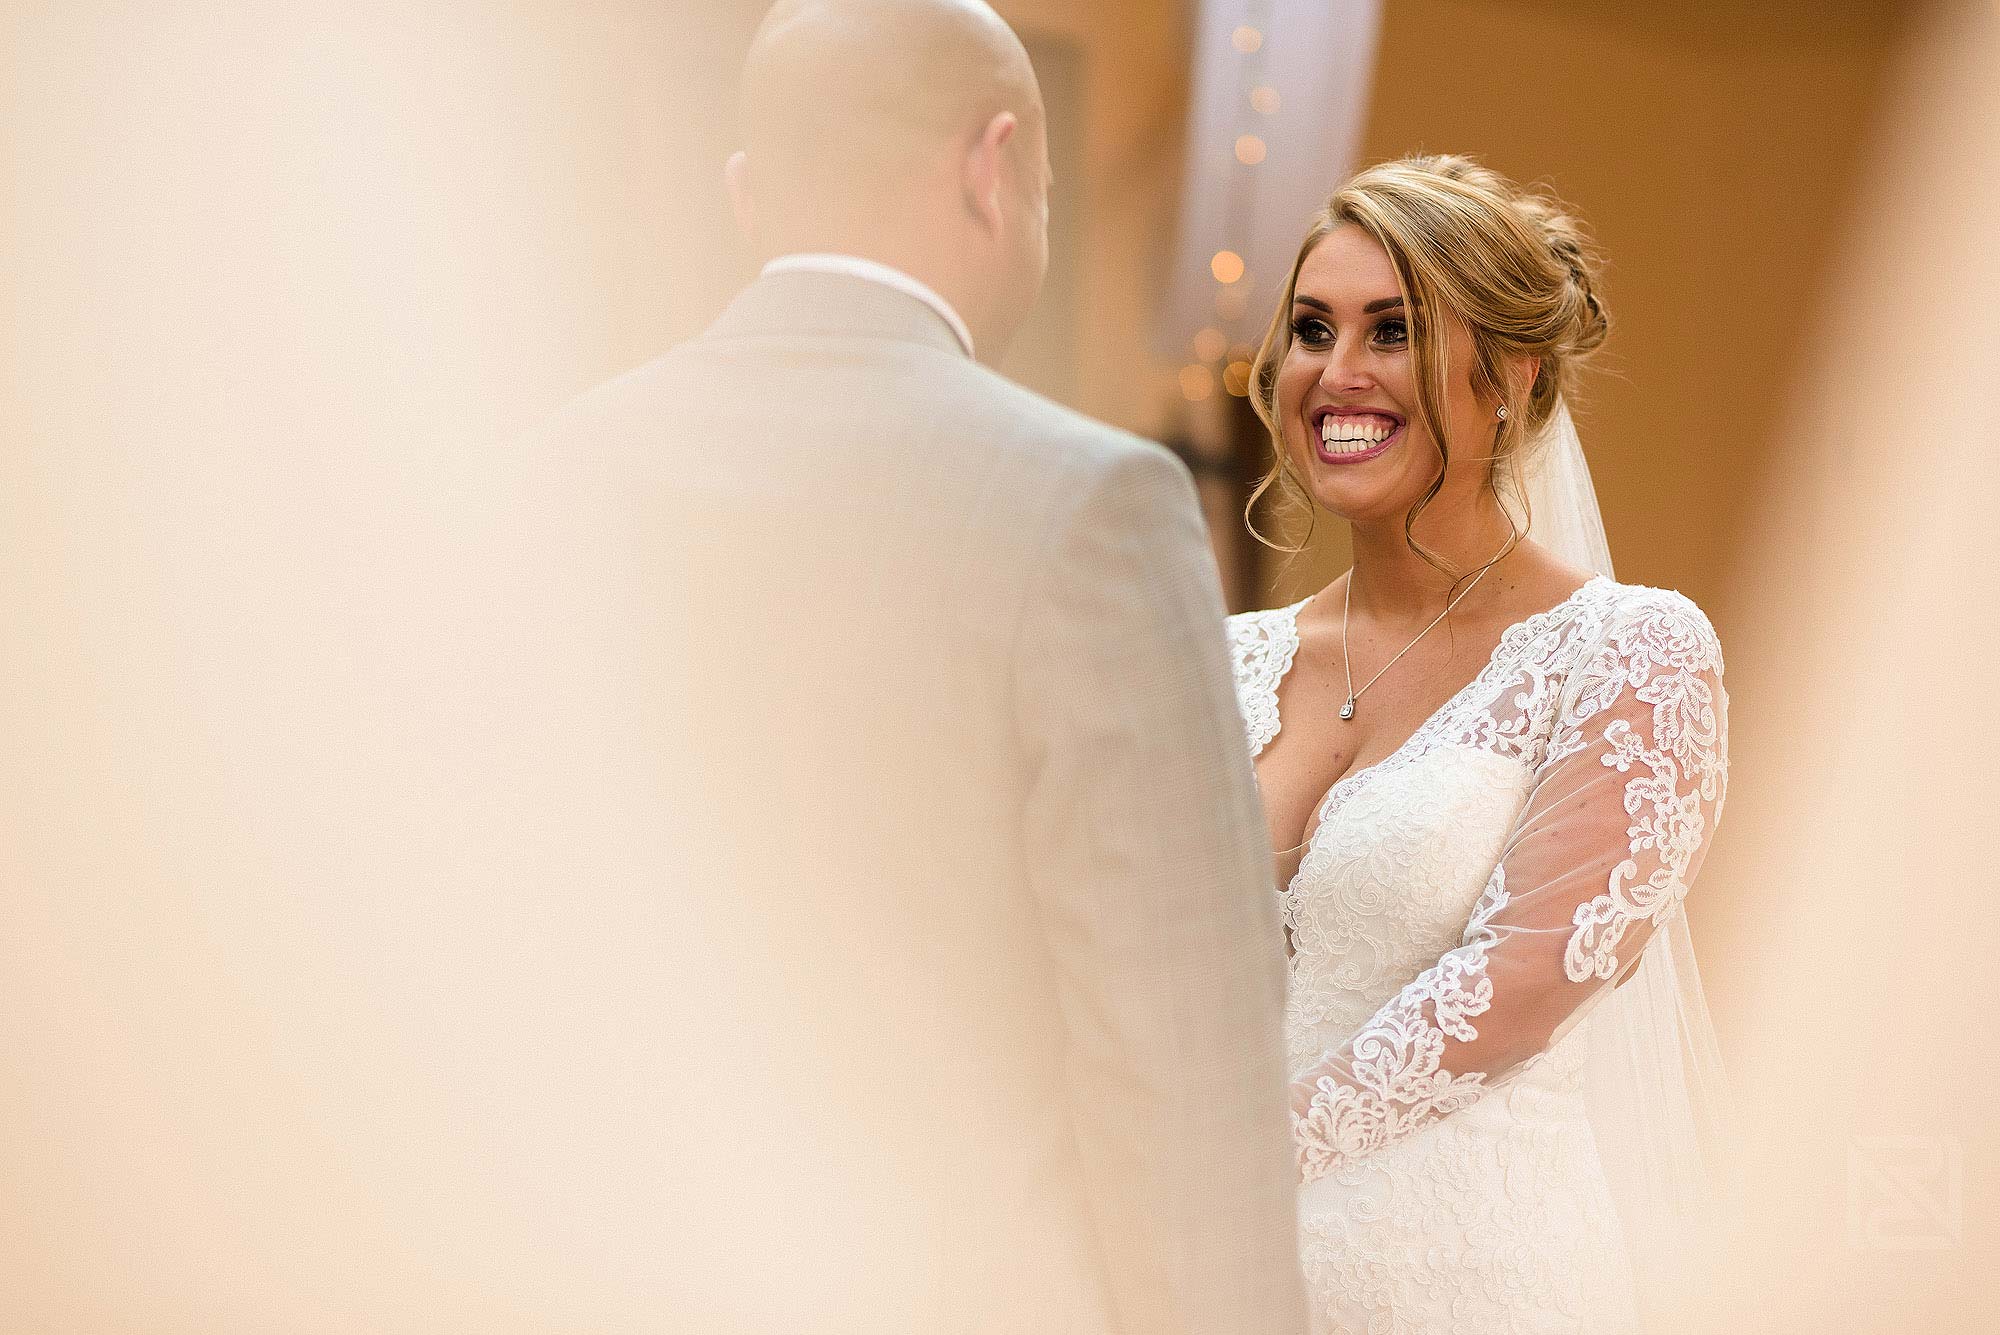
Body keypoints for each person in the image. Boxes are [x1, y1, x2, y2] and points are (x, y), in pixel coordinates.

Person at [521, 2, 1308, 1330]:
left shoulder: (546, 474)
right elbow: (1181, 1075)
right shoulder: (1090, 505)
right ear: (990, 169)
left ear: (748, 197)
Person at [1225, 154, 1731, 1333]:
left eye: (1391, 332)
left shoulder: (1627, 652)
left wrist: (1228, 1170)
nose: (1335, 374)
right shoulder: (1216, 657)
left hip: (1463, 1278)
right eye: (1311, 329)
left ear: (1508, 373)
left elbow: (1513, 989)